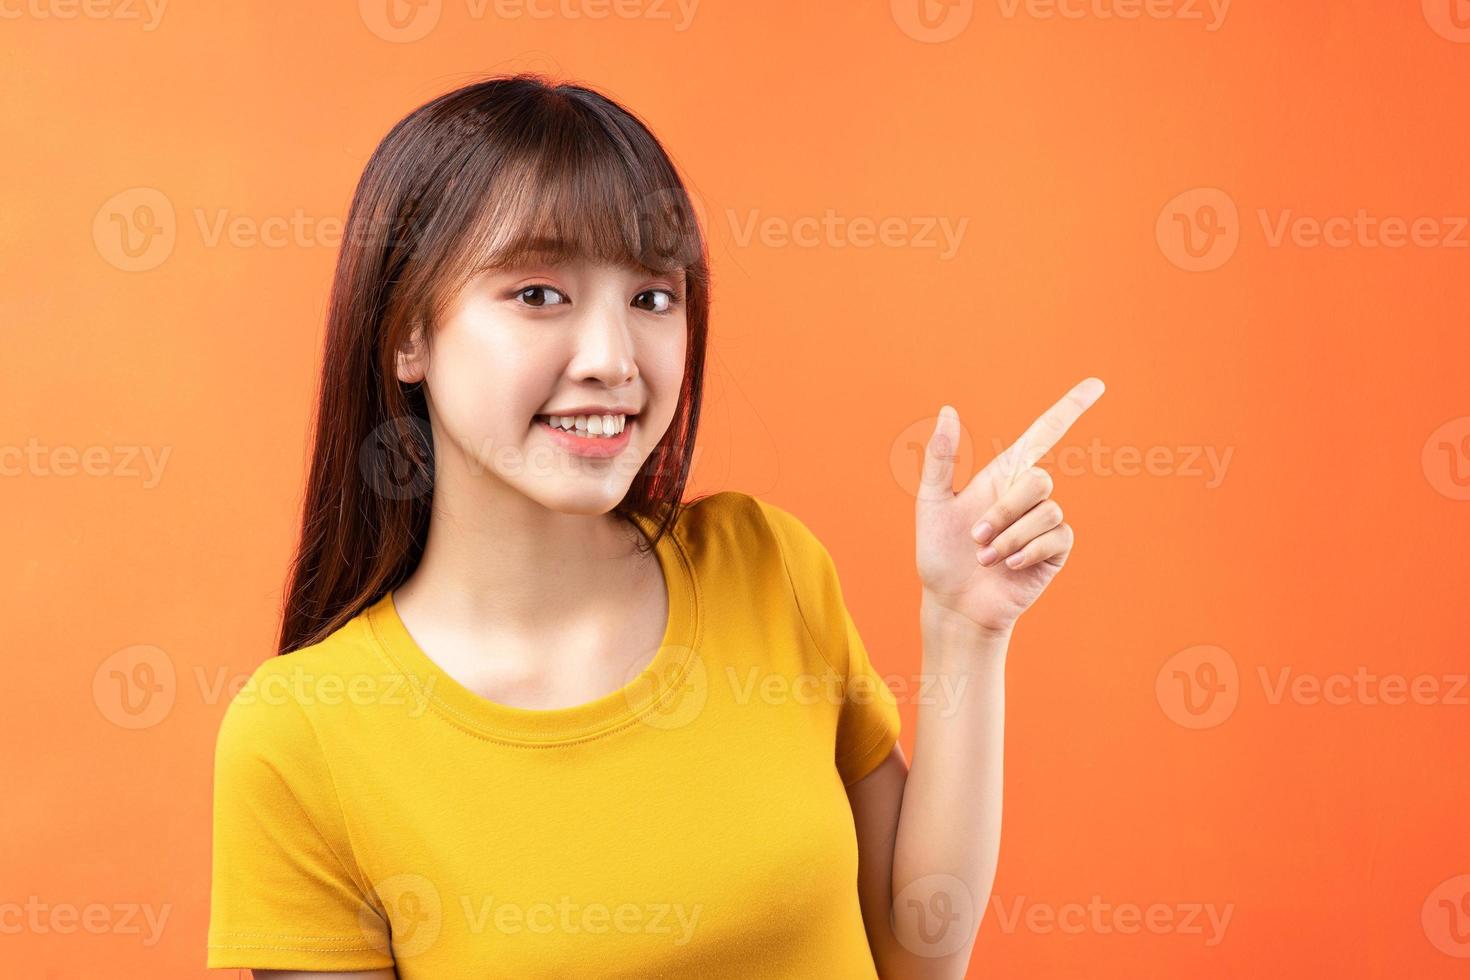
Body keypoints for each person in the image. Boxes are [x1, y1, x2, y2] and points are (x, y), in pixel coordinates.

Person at [205, 72, 1103, 979]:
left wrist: (965, 628)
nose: (613, 360)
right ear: (409, 333)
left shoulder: (766, 565)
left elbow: (917, 956)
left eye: (652, 297)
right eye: (539, 294)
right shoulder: (300, 737)